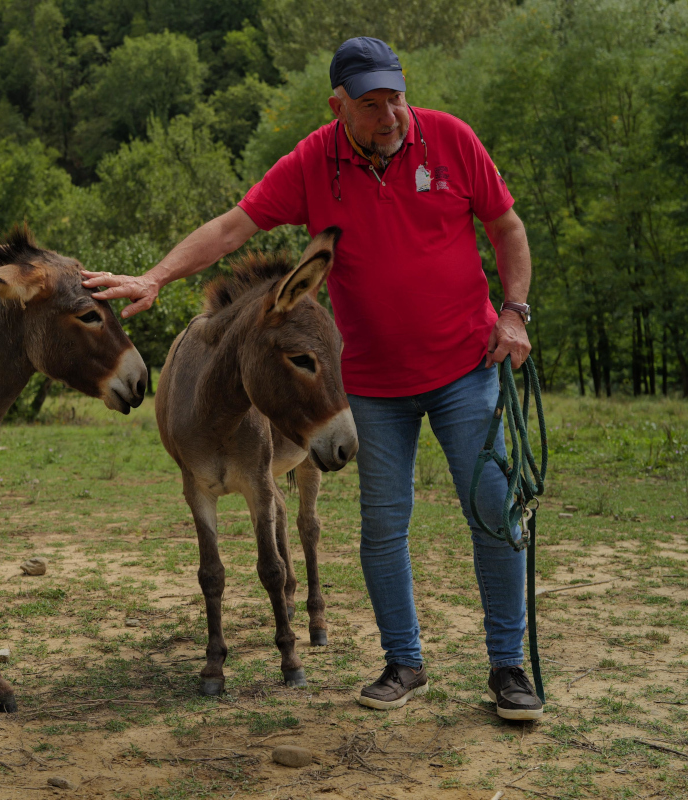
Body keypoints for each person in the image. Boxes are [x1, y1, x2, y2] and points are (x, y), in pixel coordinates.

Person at [82, 37, 542, 721]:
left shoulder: (450, 139)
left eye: (396, 99)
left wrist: (513, 311)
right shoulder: (312, 162)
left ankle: (508, 668)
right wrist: (155, 276)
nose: (390, 116)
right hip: (370, 387)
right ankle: (403, 660)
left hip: (465, 366)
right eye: (371, 104)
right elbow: (233, 226)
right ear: (339, 106)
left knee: (494, 512)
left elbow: (506, 226)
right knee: (383, 526)